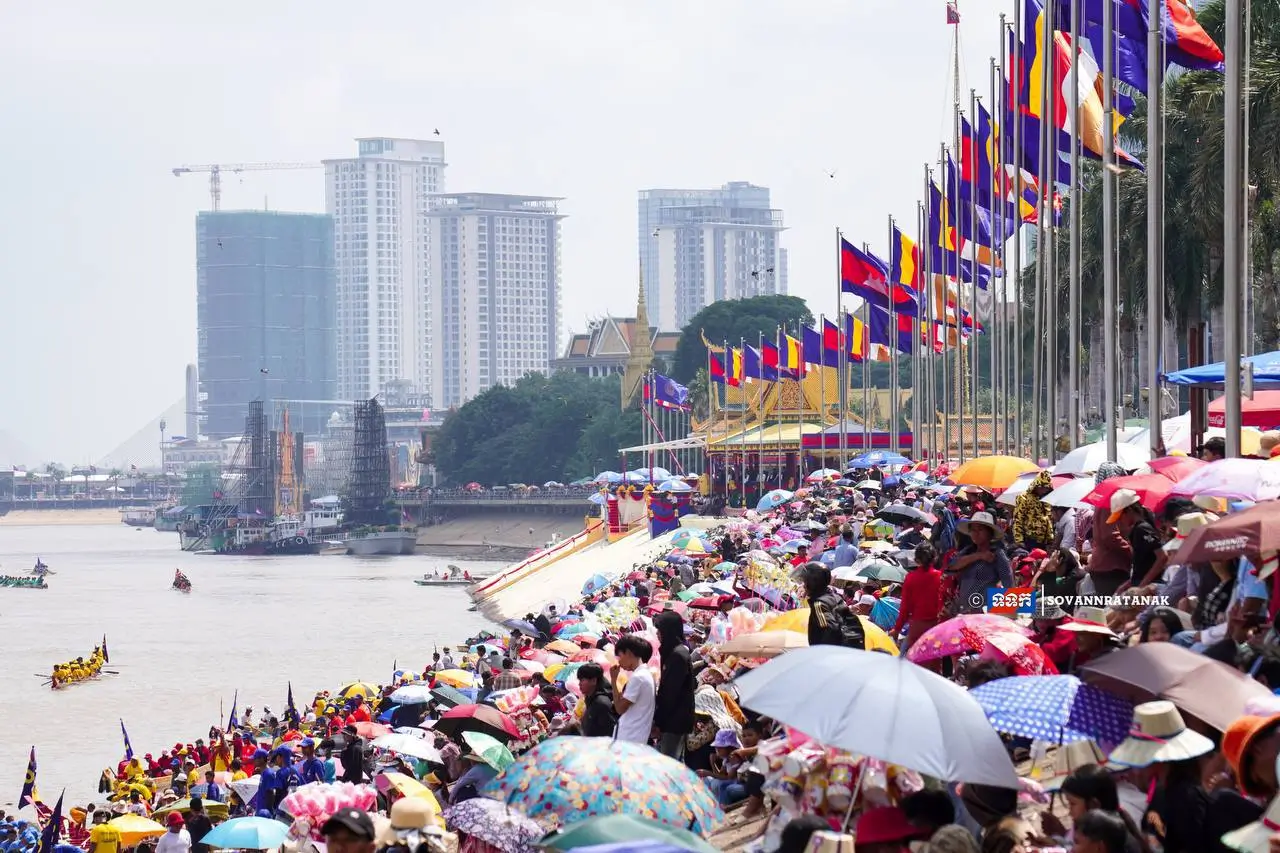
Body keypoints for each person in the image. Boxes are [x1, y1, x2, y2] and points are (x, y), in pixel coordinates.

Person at [946, 512, 1012, 614]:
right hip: (964, 610)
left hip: (984, 613)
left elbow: (1009, 584)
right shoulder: (968, 551)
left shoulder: (997, 554)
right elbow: (952, 566)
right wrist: (979, 556)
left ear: (989, 533)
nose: (975, 533)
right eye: (973, 530)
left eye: (980, 530)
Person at [653, 610, 696, 759]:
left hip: (674, 721)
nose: (657, 634)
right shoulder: (672, 652)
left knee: (669, 763)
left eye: (660, 630)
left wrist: (659, 722)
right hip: (674, 719)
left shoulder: (677, 655)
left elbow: (670, 694)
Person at [1107, 489, 1166, 592]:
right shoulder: (1137, 530)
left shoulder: (1142, 529)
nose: (1119, 520)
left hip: (1150, 587)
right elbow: (1141, 565)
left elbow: (1162, 557)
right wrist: (1128, 584)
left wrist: (1142, 585)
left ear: (1129, 510)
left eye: (1120, 516)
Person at [800, 563, 866, 648]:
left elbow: (830, 629)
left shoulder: (819, 604)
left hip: (837, 653)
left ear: (812, 583)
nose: (804, 586)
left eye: (805, 582)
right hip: (851, 648)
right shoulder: (834, 596)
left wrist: (821, 654)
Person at [892, 542, 943, 651]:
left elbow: (905, 608)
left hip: (916, 626)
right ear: (934, 558)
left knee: (912, 660)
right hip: (937, 627)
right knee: (933, 664)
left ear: (916, 560)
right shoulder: (941, 577)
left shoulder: (910, 578)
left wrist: (897, 629)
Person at [611, 633, 656, 744]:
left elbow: (620, 708)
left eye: (620, 656)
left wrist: (613, 680)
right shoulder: (645, 674)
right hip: (635, 736)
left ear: (628, 653)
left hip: (629, 737)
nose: (619, 662)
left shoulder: (638, 677)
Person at [1013, 470, 1055, 549]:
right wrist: (1019, 540)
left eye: (1046, 488)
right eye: (1042, 487)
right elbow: (1018, 519)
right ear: (1036, 485)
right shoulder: (1023, 497)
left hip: (1045, 541)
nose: (1044, 490)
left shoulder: (1047, 499)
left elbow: (1049, 519)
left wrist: (1050, 540)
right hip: (1030, 539)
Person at [574, 662, 617, 737]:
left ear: (593, 681)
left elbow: (610, 732)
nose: (579, 684)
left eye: (582, 680)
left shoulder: (601, 703)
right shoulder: (590, 698)